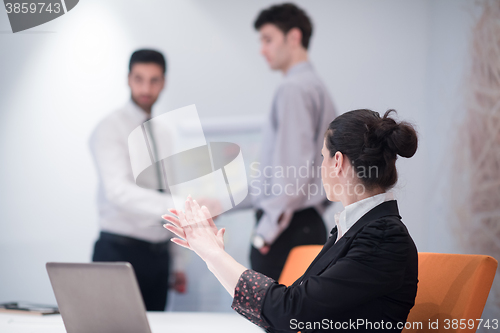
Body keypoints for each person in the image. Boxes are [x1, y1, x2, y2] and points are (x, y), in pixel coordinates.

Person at [162, 109, 419, 332]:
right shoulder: (359, 229)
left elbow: (290, 312)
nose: (320, 167)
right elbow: (286, 315)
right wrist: (213, 257)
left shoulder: (382, 237)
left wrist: (214, 256)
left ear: (337, 161)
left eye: (322, 157)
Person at [89, 49, 186, 311]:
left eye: (154, 80)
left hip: (159, 257)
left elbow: (169, 191)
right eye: (139, 79)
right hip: (119, 252)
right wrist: (183, 206)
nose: (146, 88)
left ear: (163, 82)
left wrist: (177, 262)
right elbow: (118, 191)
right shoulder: (110, 127)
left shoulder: (164, 132)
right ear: (128, 79)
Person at [250, 3, 338, 280]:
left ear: (294, 37)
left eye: (268, 39)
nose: (262, 50)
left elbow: (291, 178)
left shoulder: (293, 88)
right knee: (300, 321)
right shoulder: (316, 86)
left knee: (281, 321)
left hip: (286, 232)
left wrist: (263, 236)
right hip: (305, 223)